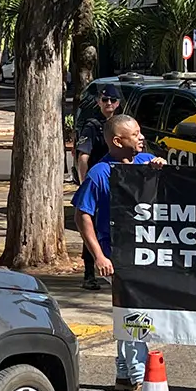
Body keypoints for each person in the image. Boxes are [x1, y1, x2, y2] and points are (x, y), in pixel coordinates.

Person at [75, 113, 162, 391]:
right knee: (133, 315)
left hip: (144, 252)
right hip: (116, 254)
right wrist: (98, 255)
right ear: (117, 140)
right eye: (134, 133)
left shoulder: (143, 162)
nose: (141, 137)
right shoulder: (100, 174)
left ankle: (124, 375)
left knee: (130, 315)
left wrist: (161, 169)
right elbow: (82, 215)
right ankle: (139, 378)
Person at [75, 86, 124, 288]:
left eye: (113, 100)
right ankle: (89, 273)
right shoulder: (93, 126)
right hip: (100, 185)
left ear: (119, 103)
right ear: (98, 102)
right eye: (105, 100)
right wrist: (86, 182)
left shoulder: (124, 126)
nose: (109, 104)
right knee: (91, 227)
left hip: (121, 188)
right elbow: (83, 156)